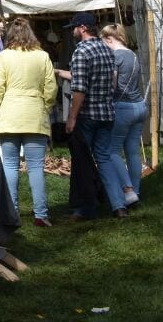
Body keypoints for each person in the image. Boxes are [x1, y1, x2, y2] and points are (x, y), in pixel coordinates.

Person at [0, 18, 58, 227]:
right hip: (34, 114)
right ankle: (41, 214)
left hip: (10, 115)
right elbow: (51, 88)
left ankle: (13, 212)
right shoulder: (42, 56)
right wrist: (45, 106)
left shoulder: (4, 57)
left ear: (11, 35)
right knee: (36, 167)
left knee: (10, 165)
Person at [58, 12, 126, 220]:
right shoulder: (107, 49)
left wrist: (71, 118)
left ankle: (86, 208)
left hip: (87, 115)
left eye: (74, 28)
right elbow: (113, 83)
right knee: (104, 159)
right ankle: (118, 205)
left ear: (83, 28)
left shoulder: (81, 52)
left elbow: (79, 89)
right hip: (107, 114)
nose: (72, 31)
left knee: (82, 162)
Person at [102, 23, 146, 207]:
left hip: (123, 107)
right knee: (132, 151)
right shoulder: (133, 55)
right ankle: (135, 191)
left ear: (109, 38)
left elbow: (112, 85)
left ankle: (127, 189)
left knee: (111, 151)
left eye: (104, 41)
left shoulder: (115, 56)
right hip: (139, 106)